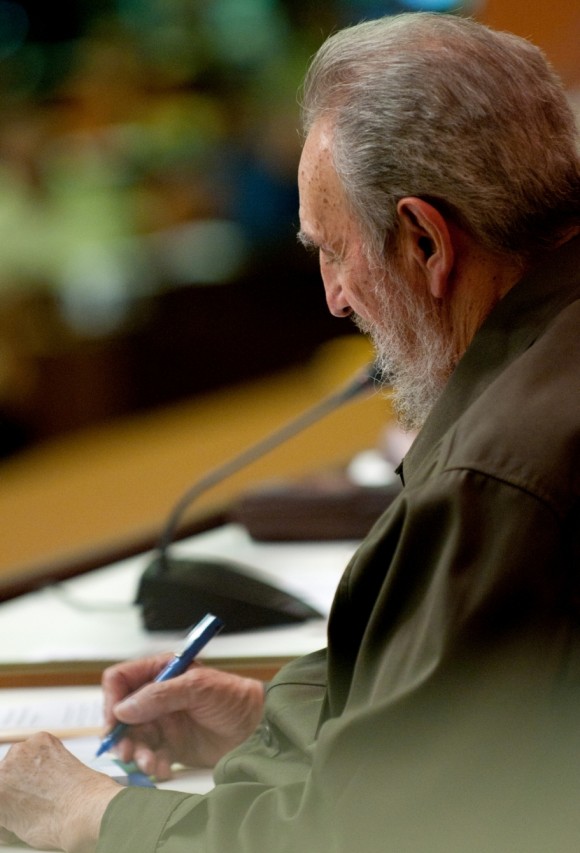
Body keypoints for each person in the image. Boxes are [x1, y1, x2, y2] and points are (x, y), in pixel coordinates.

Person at [1, 11, 580, 852]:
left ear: (424, 239)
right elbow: (501, 719)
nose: (335, 298)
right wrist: (279, 721)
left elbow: (358, 837)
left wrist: (86, 811)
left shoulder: (494, 472)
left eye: (335, 251)